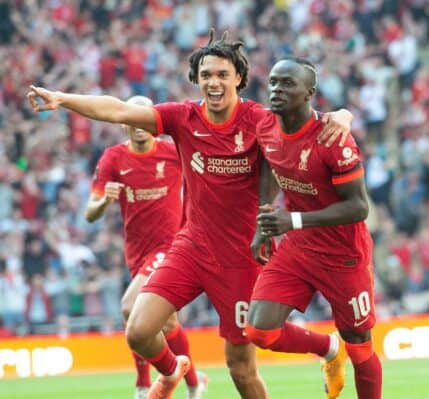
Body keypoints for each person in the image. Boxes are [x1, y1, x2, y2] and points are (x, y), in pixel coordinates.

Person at [27, 30, 352, 399]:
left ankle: (328, 347)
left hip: (241, 258)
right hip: (191, 248)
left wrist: (343, 114)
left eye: (222, 75)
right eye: (207, 75)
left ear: (239, 79)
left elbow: (314, 120)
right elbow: (118, 109)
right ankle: (171, 371)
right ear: (196, 79)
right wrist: (61, 98)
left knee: (242, 369)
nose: (214, 82)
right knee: (137, 330)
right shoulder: (183, 117)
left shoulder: (259, 120)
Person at [246, 57, 382, 399]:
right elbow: (268, 162)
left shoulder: (333, 138)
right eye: (274, 82)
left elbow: (358, 207)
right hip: (299, 248)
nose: (277, 89)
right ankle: (327, 348)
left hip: (343, 255)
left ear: (310, 93)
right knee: (260, 331)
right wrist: (265, 217)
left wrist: (289, 221)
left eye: (287, 83)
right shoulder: (265, 125)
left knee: (360, 346)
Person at [84, 95, 207, 399]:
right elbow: (90, 213)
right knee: (166, 322)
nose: (139, 125)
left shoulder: (172, 151)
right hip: (136, 252)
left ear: (152, 122)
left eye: (144, 117)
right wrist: (104, 201)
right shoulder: (113, 158)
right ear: (125, 122)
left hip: (172, 246)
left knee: (130, 306)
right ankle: (194, 384)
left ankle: (145, 385)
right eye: (132, 118)